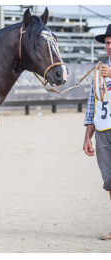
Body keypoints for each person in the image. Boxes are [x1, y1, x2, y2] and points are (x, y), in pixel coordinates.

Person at [83, 24, 111, 240]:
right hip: (102, 131)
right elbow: (93, 106)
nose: (109, 46)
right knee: (109, 181)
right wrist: (87, 137)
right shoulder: (98, 71)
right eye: (108, 43)